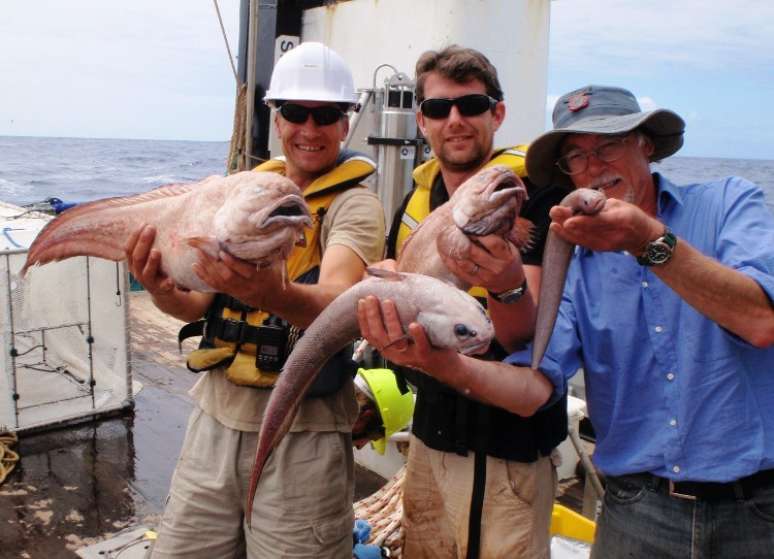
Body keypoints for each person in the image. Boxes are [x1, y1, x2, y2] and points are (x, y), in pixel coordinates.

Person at [365, 83, 774, 558]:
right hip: (636, 511)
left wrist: (646, 242)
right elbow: (534, 385)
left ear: (646, 144)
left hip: (758, 510)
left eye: (609, 146)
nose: (594, 166)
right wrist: (439, 362)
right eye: (576, 157)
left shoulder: (728, 202)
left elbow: (760, 321)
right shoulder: (572, 259)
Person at [127, 42, 385, 559]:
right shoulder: (240, 193)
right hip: (214, 423)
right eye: (295, 112)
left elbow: (339, 304)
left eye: (326, 115)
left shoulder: (357, 205)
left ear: (346, 123)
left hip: (305, 437)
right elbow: (196, 306)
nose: (309, 130)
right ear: (276, 117)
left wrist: (271, 293)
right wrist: (160, 289)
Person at [360, 45, 569, 559]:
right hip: (431, 435)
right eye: (438, 109)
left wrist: (505, 282)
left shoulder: (532, 196)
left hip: (507, 453)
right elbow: (401, 298)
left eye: (471, 105)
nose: (454, 120)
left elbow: (529, 338)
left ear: (497, 113)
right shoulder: (415, 202)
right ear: (422, 121)